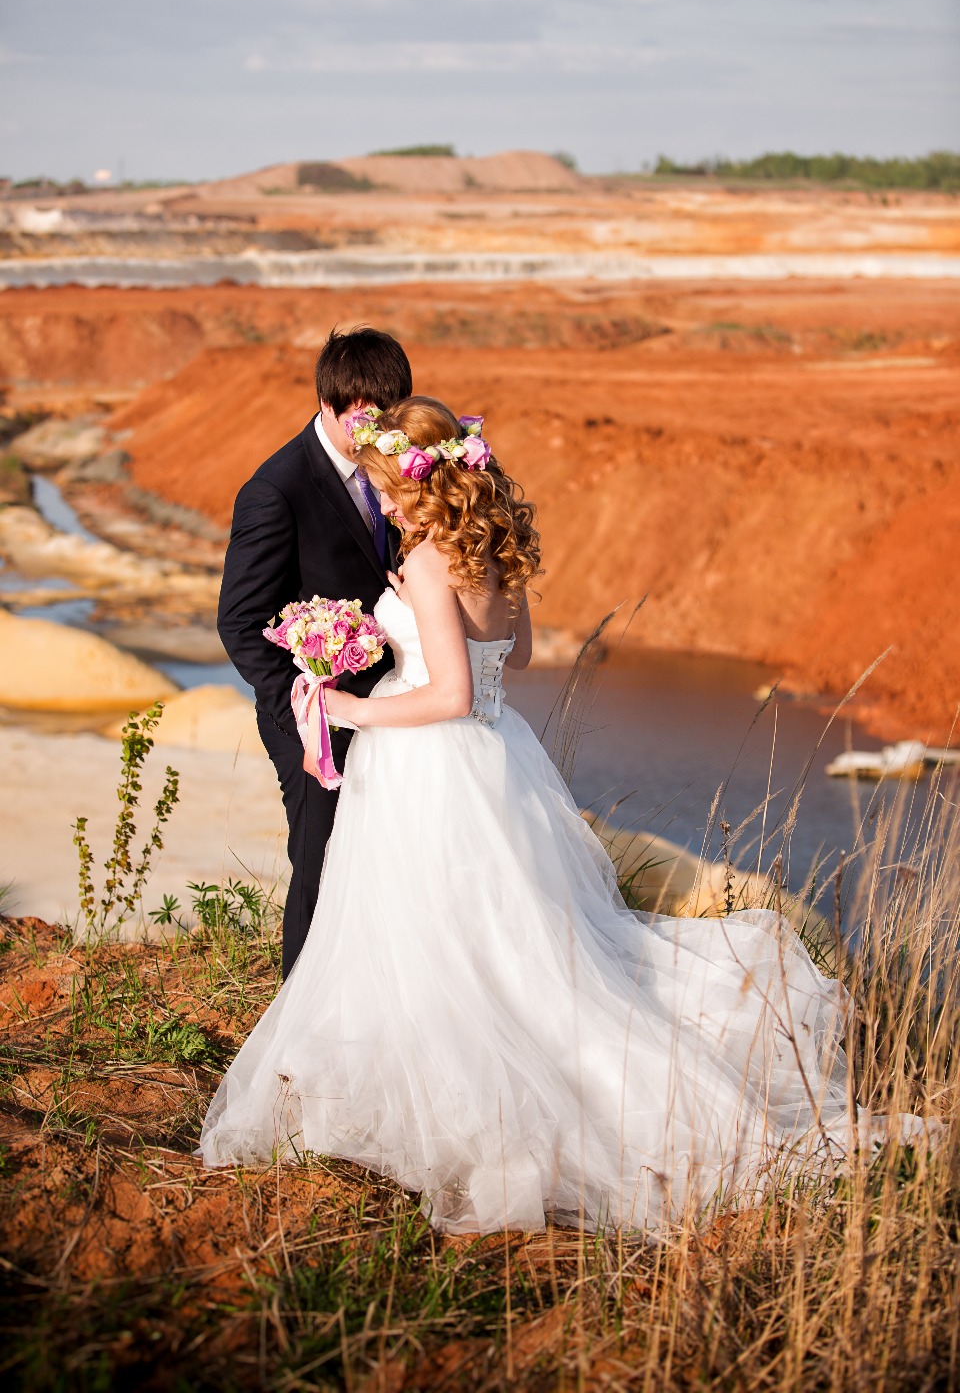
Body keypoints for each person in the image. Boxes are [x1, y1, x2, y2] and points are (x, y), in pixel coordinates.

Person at [201, 396, 914, 1238]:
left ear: (421, 483)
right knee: (499, 930)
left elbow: (449, 694)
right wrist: (409, 630)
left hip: (429, 763)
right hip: (496, 753)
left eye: (390, 488)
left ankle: (448, 1076)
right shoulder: (489, 552)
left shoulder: (426, 562)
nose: (384, 504)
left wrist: (353, 705)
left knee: (431, 928)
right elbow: (517, 658)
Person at [217, 327, 412, 979]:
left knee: (381, 858)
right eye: (365, 417)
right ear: (328, 403)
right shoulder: (277, 489)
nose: (379, 431)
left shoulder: (393, 465)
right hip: (312, 718)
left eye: (388, 416)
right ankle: (298, 1010)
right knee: (321, 862)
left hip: (391, 704)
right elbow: (239, 621)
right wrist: (304, 711)